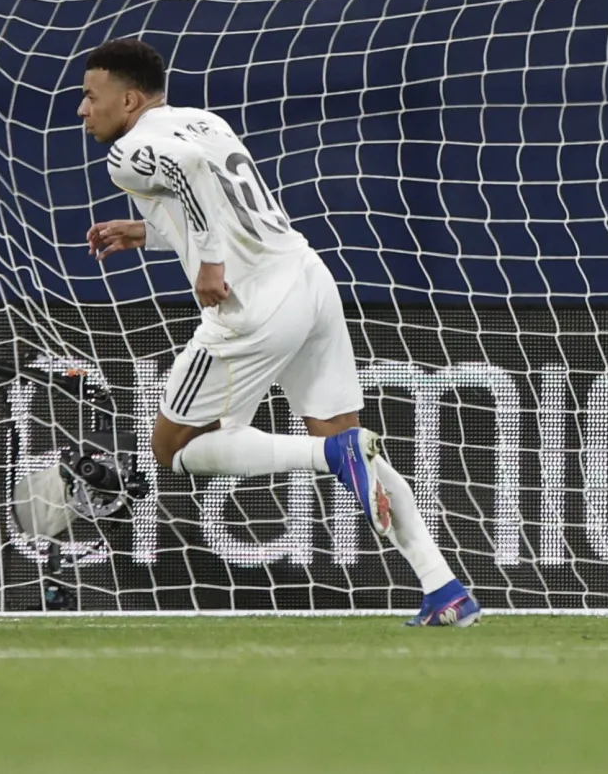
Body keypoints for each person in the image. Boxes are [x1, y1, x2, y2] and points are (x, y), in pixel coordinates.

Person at [80, 38, 480, 627]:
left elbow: (190, 181)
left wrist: (210, 261)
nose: (83, 110)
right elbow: (220, 200)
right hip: (307, 278)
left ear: (130, 99)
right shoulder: (203, 121)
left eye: (91, 97)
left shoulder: (127, 152)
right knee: (350, 436)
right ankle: (442, 586)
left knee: (175, 448)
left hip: (253, 302)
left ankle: (325, 456)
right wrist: (149, 233)